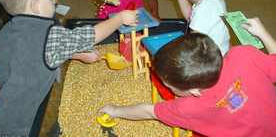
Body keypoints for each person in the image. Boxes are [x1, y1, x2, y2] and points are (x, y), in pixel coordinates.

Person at [0, 0, 139, 137]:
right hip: (24, 125)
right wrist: (120, 17)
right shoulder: (48, 36)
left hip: (3, 116)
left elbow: (33, 58)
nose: (54, 3)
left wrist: (77, 55)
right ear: (35, 5)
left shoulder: (4, 33)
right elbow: (91, 35)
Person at [98, 17, 276, 136]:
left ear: (194, 91)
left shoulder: (188, 108)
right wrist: (262, 33)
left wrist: (114, 110)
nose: (167, 88)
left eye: (169, 85)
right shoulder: (242, 54)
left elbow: (147, 111)